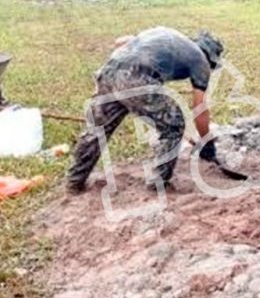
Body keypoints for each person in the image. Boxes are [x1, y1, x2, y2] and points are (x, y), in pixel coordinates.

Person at [67, 27, 224, 193]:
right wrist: (207, 143)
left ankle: (74, 182)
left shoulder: (170, 36)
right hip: (136, 78)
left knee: (97, 131)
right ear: (210, 57)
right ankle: (158, 183)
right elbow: (200, 110)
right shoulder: (201, 60)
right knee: (174, 123)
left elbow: (121, 41)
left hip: (108, 73)